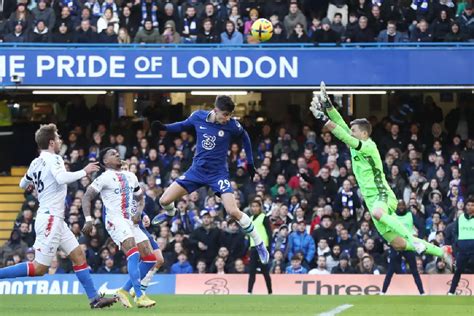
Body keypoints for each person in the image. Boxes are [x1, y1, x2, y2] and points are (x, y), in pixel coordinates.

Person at [309, 82, 453, 268]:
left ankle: (414, 239)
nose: (350, 132)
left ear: (363, 133)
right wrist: (328, 104)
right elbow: (340, 124)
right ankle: (442, 252)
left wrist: (322, 118)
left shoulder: (368, 145)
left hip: (382, 194)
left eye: (353, 131)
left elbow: (342, 135)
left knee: (379, 214)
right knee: (398, 244)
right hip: (370, 200)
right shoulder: (356, 142)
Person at [0, 124, 115, 309]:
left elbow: (23, 183)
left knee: (78, 255)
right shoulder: (54, 158)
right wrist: (85, 171)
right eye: (58, 137)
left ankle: (94, 299)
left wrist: (38, 185)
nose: (60, 140)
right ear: (52, 142)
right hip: (51, 218)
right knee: (39, 268)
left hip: (54, 219)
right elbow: (61, 178)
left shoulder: (36, 162)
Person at [150, 95, 270, 264]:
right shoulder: (198, 116)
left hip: (218, 174)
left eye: (230, 115)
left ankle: (259, 244)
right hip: (196, 172)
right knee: (164, 200)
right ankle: (171, 212)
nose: (227, 118)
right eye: (225, 115)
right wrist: (164, 128)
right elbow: (182, 125)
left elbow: (245, 137)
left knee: (233, 211)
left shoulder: (231, 125)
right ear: (215, 110)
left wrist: (250, 163)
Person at [81, 148, 157, 308]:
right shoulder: (104, 178)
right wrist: (88, 219)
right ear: (105, 161)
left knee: (150, 258)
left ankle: (123, 291)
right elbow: (87, 196)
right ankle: (139, 296)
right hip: (115, 220)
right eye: (112, 153)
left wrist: (139, 212)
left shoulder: (131, 176)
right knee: (134, 253)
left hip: (130, 221)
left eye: (117, 152)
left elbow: (140, 198)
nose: (117, 154)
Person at [381, 200, 425, 295]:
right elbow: (384, 229)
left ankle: (422, 292)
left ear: (405, 206)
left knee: (414, 270)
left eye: (403, 205)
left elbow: (421, 226)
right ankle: (383, 292)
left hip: (408, 245)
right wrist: (389, 241)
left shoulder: (410, 215)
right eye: (399, 205)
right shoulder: (393, 215)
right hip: (396, 245)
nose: (401, 207)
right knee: (391, 270)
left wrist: (419, 240)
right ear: (396, 206)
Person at [448, 197, 474, 295]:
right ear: (465, 206)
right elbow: (455, 232)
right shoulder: (461, 218)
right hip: (463, 250)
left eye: (472, 205)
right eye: (468, 205)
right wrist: (458, 242)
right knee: (458, 270)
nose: (470, 207)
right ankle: (451, 291)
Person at [247, 200, 272, 295]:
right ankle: (249, 292)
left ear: (260, 208)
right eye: (252, 206)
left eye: (256, 206)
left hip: (262, 247)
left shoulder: (264, 218)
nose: (254, 208)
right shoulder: (250, 218)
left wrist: (269, 247)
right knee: (251, 270)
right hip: (253, 247)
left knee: (265, 270)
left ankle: (270, 291)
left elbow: (269, 233)